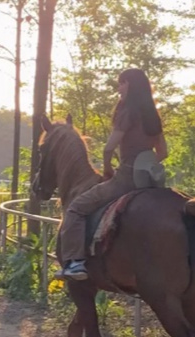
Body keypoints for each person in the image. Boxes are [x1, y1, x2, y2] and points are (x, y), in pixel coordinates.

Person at [57, 68, 168, 281]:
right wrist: (145, 164)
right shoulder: (153, 116)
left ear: (130, 85)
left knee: (76, 209)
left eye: (122, 83)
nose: (119, 88)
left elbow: (109, 148)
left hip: (125, 179)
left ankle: (74, 263)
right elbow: (163, 153)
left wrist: (108, 168)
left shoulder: (127, 112)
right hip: (151, 182)